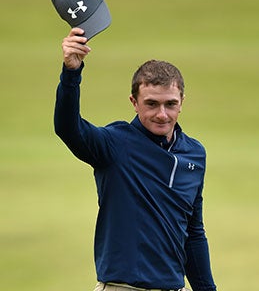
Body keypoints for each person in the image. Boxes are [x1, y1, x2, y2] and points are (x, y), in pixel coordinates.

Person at [55, 28, 217, 291]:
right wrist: (71, 73)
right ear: (134, 101)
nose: (162, 115)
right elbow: (68, 128)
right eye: (151, 104)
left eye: (170, 104)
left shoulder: (195, 154)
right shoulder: (114, 144)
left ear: (182, 102)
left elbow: (193, 233)